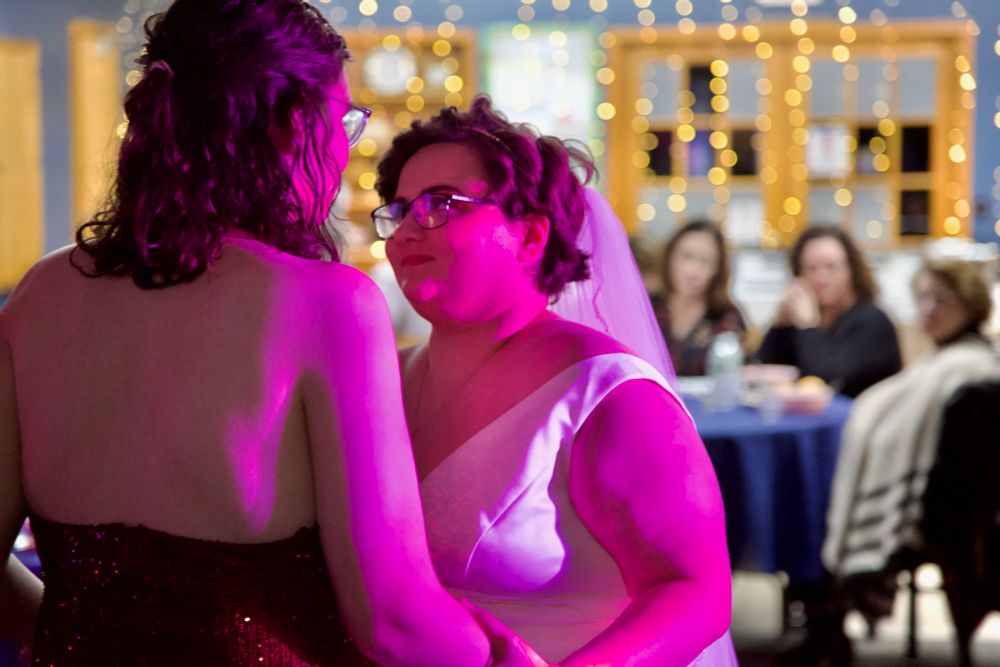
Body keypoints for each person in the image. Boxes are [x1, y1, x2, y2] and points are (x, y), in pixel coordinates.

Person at [0, 2, 515, 665]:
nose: (343, 149)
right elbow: (392, 619)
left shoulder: (43, 295)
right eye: (344, 123)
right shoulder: (327, 305)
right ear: (292, 124)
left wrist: (89, 636)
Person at [373, 97, 737, 666]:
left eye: (441, 204)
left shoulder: (612, 395)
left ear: (529, 237)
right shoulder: (383, 376)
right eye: (399, 211)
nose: (406, 233)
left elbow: (697, 594)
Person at [787, 259, 999, 665]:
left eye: (943, 299)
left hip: (945, 514)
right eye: (924, 299)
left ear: (970, 304)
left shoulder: (967, 372)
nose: (930, 310)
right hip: (948, 506)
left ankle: (826, 624)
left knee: (813, 500)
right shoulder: (942, 363)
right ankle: (823, 625)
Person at [756, 225, 902, 397]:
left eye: (831, 267)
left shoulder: (874, 322)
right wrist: (779, 326)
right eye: (811, 269)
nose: (822, 279)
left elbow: (826, 383)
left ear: (851, 271)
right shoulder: (798, 324)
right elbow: (762, 372)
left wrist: (809, 327)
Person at [650, 220, 747, 377]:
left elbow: (736, 376)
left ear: (717, 271)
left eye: (705, 262)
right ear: (670, 257)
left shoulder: (726, 317)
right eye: (686, 257)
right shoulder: (648, 308)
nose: (693, 271)